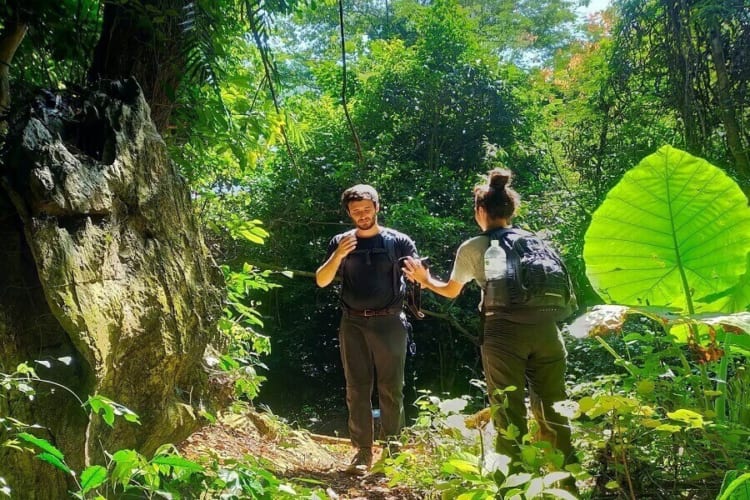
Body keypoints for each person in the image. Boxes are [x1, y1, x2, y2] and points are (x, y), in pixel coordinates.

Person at [402, 168, 576, 474]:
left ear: (481, 211)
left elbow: (451, 291)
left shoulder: (474, 246)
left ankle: (511, 484)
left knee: (508, 413)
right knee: (554, 408)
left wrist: (424, 279)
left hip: (504, 334)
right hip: (549, 330)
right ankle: (567, 481)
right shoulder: (534, 242)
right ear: (511, 210)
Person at [316, 184, 418, 474]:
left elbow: (417, 275)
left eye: (366, 209)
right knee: (356, 388)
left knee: (391, 388)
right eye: (355, 211)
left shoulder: (398, 241)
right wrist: (338, 254)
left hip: (390, 321)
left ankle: (394, 449)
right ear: (349, 213)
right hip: (353, 323)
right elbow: (322, 280)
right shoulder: (340, 241)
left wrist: (418, 274)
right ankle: (362, 452)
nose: (362, 215)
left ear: (377, 206)